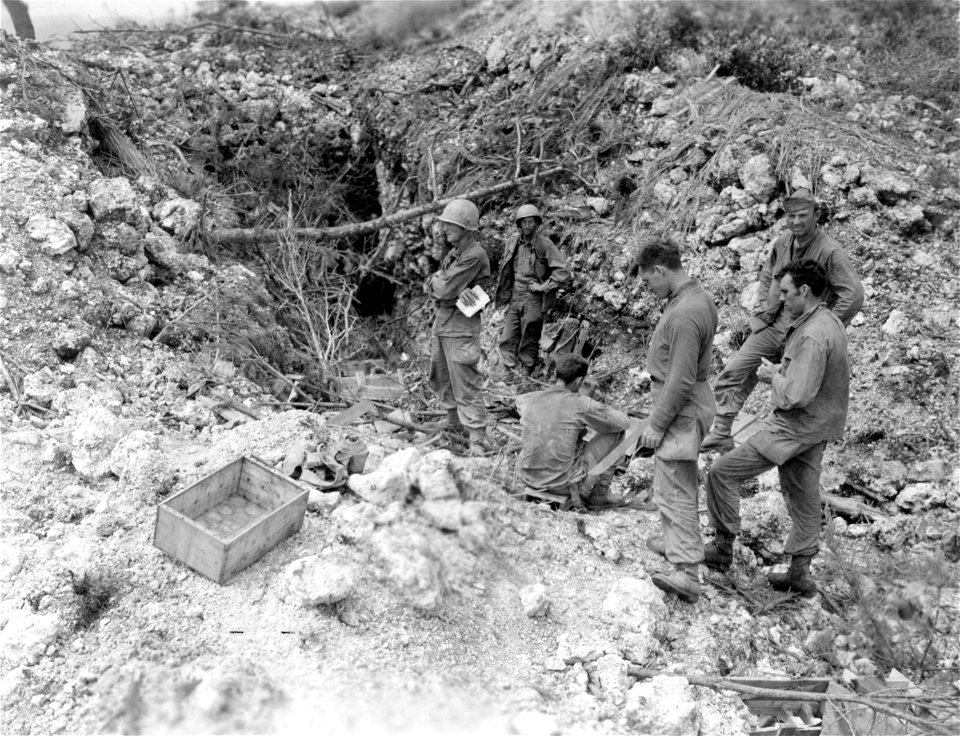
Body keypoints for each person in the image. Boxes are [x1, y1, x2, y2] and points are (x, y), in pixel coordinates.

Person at [704, 260, 849, 597]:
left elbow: (797, 394)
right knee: (803, 493)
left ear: (805, 290)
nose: (781, 299)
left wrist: (773, 377)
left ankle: (722, 550)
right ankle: (800, 573)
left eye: (786, 292)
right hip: (819, 427)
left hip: (793, 427)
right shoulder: (829, 321)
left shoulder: (812, 334)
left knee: (722, 473)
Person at [701, 189, 863, 452]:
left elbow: (853, 295)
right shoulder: (783, 242)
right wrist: (765, 304)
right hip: (773, 325)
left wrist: (825, 324)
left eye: (803, 215)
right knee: (736, 370)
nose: (796, 222)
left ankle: (791, 450)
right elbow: (768, 275)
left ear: (817, 215)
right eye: (791, 216)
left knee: (795, 391)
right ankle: (721, 432)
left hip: (802, 333)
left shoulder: (831, 251)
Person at [635, 236, 718, 604]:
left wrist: (656, 423)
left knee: (676, 485)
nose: (648, 289)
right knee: (669, 479)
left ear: (660, 270)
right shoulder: (694, 298)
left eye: (648, 281)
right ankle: (674, 543)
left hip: (681, 404)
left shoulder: (684, 313)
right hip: (685, 399)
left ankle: (687, 571)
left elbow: (681, 378)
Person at [515, 354, 631, 509]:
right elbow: (623, 422)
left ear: (556, 374)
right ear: (579, 381)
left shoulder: (528, 399)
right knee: (617, 432)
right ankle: (599, 495)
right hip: (562, 484)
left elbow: (519, 403)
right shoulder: (580, 403)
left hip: (527, 477)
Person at [428, 199, 493, 455]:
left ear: (467, 227)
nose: (444, 229)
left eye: (450, 225)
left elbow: (443, 288)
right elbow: (435, 288)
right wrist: (441, 283)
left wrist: (442, 285)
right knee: (440, 375)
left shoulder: (474, 256)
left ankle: (478, 440)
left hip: (461, 326)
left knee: (465, 382)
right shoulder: (455, 254)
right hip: (443, 322)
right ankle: (455, 426)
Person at [494, 204, 570, 381]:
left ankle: (527, 376)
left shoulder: (544, 245)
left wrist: (544, 287)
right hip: (515, 296)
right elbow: (505, 270)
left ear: (536, 223)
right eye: (524, 222)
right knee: (508, 337)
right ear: (519, 224)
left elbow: (563, 272)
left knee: (529, 337)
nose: (527, 226)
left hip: (533, 298)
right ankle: (509, 374)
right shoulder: (512, 242)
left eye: (531, 222)